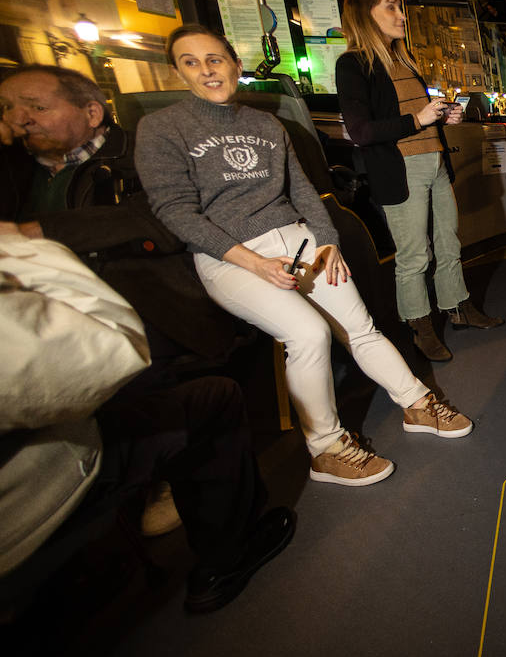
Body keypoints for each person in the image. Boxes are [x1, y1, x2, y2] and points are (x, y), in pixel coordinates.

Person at [136, 24, 473, 487]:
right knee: (309, 334)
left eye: (214, 59)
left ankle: (417, 405)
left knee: (360, 328)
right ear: (178, 72)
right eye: (190, 63)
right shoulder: (160, 128)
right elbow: (174, 210)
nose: (206, 71)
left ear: (235, 64)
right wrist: (254, 263)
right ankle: (326, 449)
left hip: (296, 239)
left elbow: (303, 191)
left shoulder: (266, 124)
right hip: (228, 256)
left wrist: (327, 240)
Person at [0, 63, 241, 535]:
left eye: (37, 107)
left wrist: (39, 232)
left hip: (145, 291)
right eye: (8, 108)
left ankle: (164, 467)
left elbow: (161, 222)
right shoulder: (16, 170)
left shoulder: (145, 151)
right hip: (46, 304)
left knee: (127, 355)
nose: (21, 119)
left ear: (92, 113)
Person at [0, 228, 294, 613]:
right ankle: (226, 560)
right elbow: (117, 348)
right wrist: (21, 246)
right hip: (31, 489)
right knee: (213, 398)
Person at [335, 0, 502, 363]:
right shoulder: (353, 64)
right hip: (401, 170)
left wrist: (441, 117)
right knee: (414, 256)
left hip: (434, 161)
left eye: (399, 5)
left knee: (449, 244)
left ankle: (457, 307)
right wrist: (419, 118)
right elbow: (362, 132)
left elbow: (415, 119)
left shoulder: (404, 60)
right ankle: (418, 325)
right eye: (390, 7)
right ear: (366, 14)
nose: (401, 15)